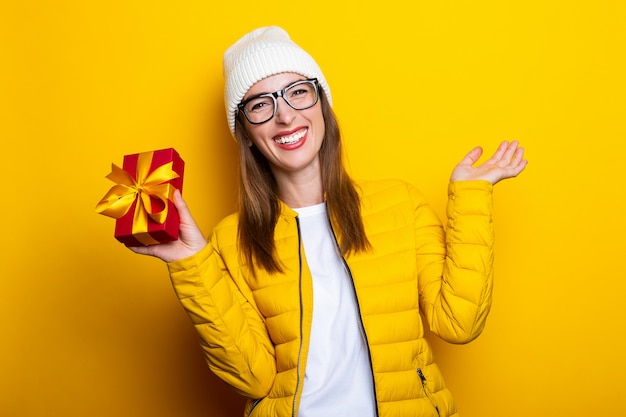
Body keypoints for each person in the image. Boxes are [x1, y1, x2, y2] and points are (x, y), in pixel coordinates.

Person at [130, 26, 527, 417]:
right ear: (246, 132)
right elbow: (252, 378)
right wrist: (192, 262)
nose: (284, 115)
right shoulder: (231, 240)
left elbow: (459, 323)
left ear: (322, 103)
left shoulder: (399, 204)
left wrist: (471, 197)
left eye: (298, 92)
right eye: (260, 105)